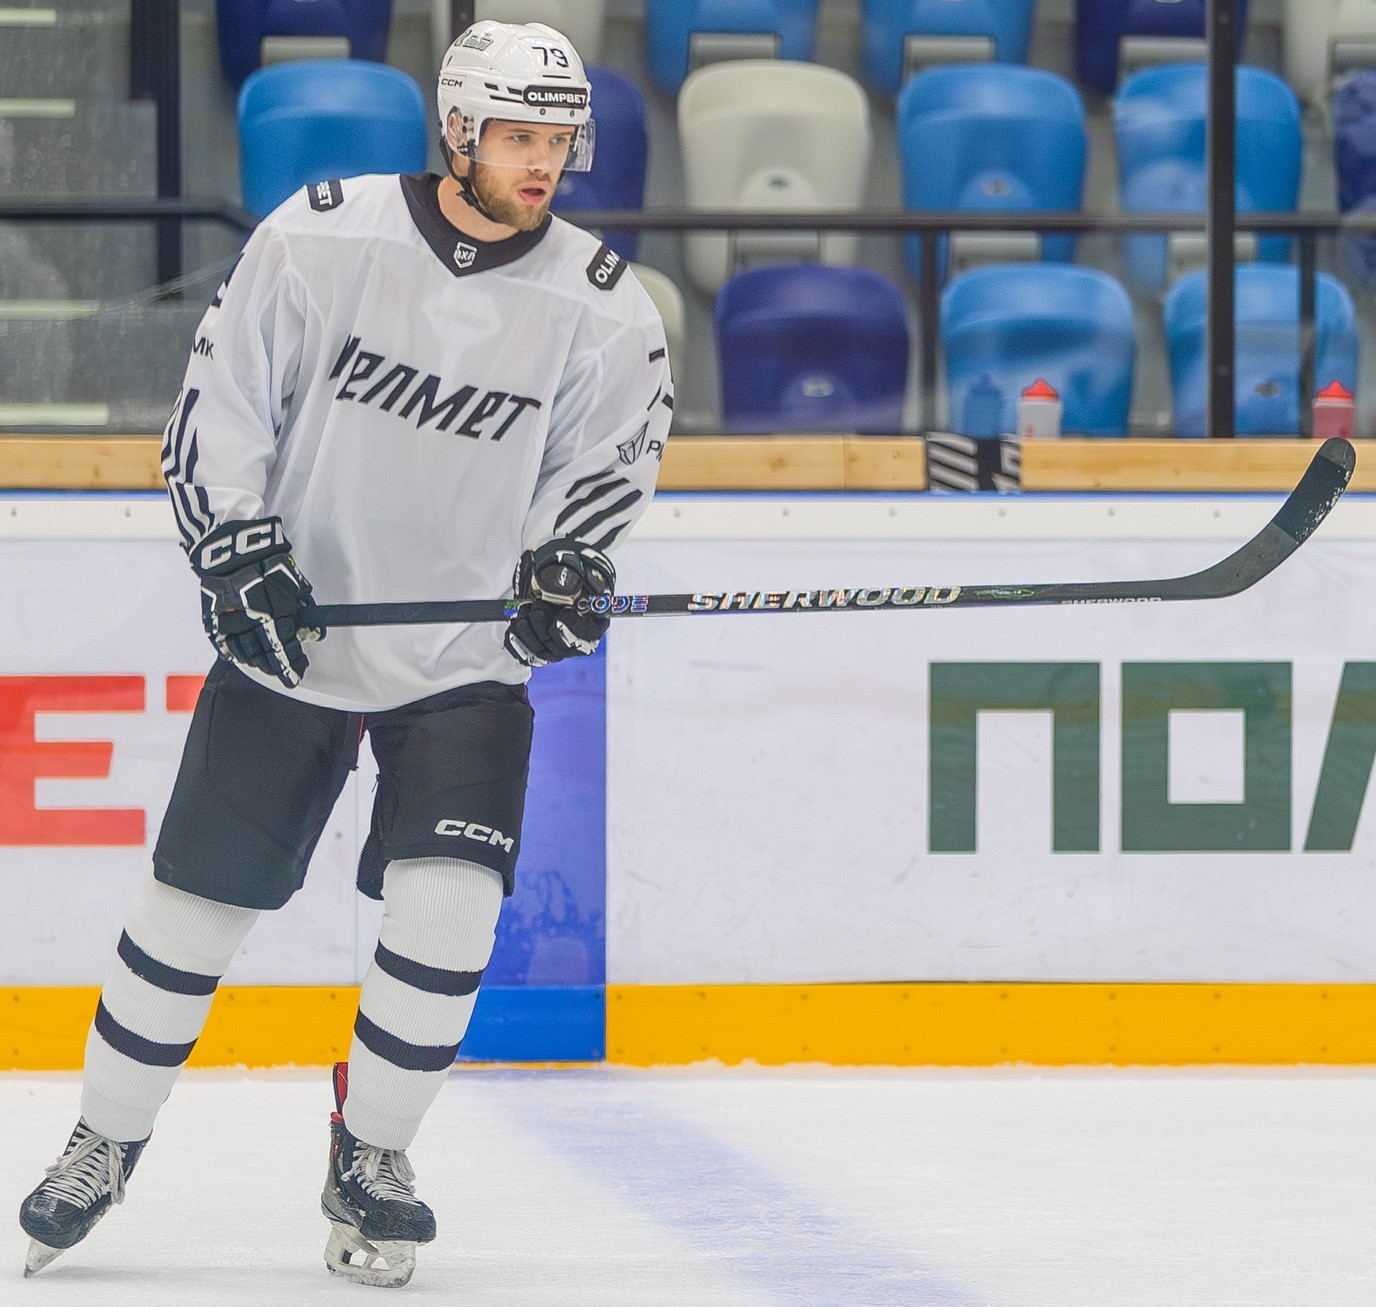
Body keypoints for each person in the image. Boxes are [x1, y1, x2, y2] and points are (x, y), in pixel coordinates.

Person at [18, 19, 671, 1289]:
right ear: (458, 131)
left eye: (559, 140)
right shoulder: (323, 235)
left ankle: (371, 1150)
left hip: (463, 661)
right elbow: (219, 404)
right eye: (518, 137)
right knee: (190, 910)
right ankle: (103, 1137)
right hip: (295, 638)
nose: (543, 162)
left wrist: (565, 571)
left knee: (450, 912)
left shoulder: (605, 308)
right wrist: (233, 548)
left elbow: (601, 481)